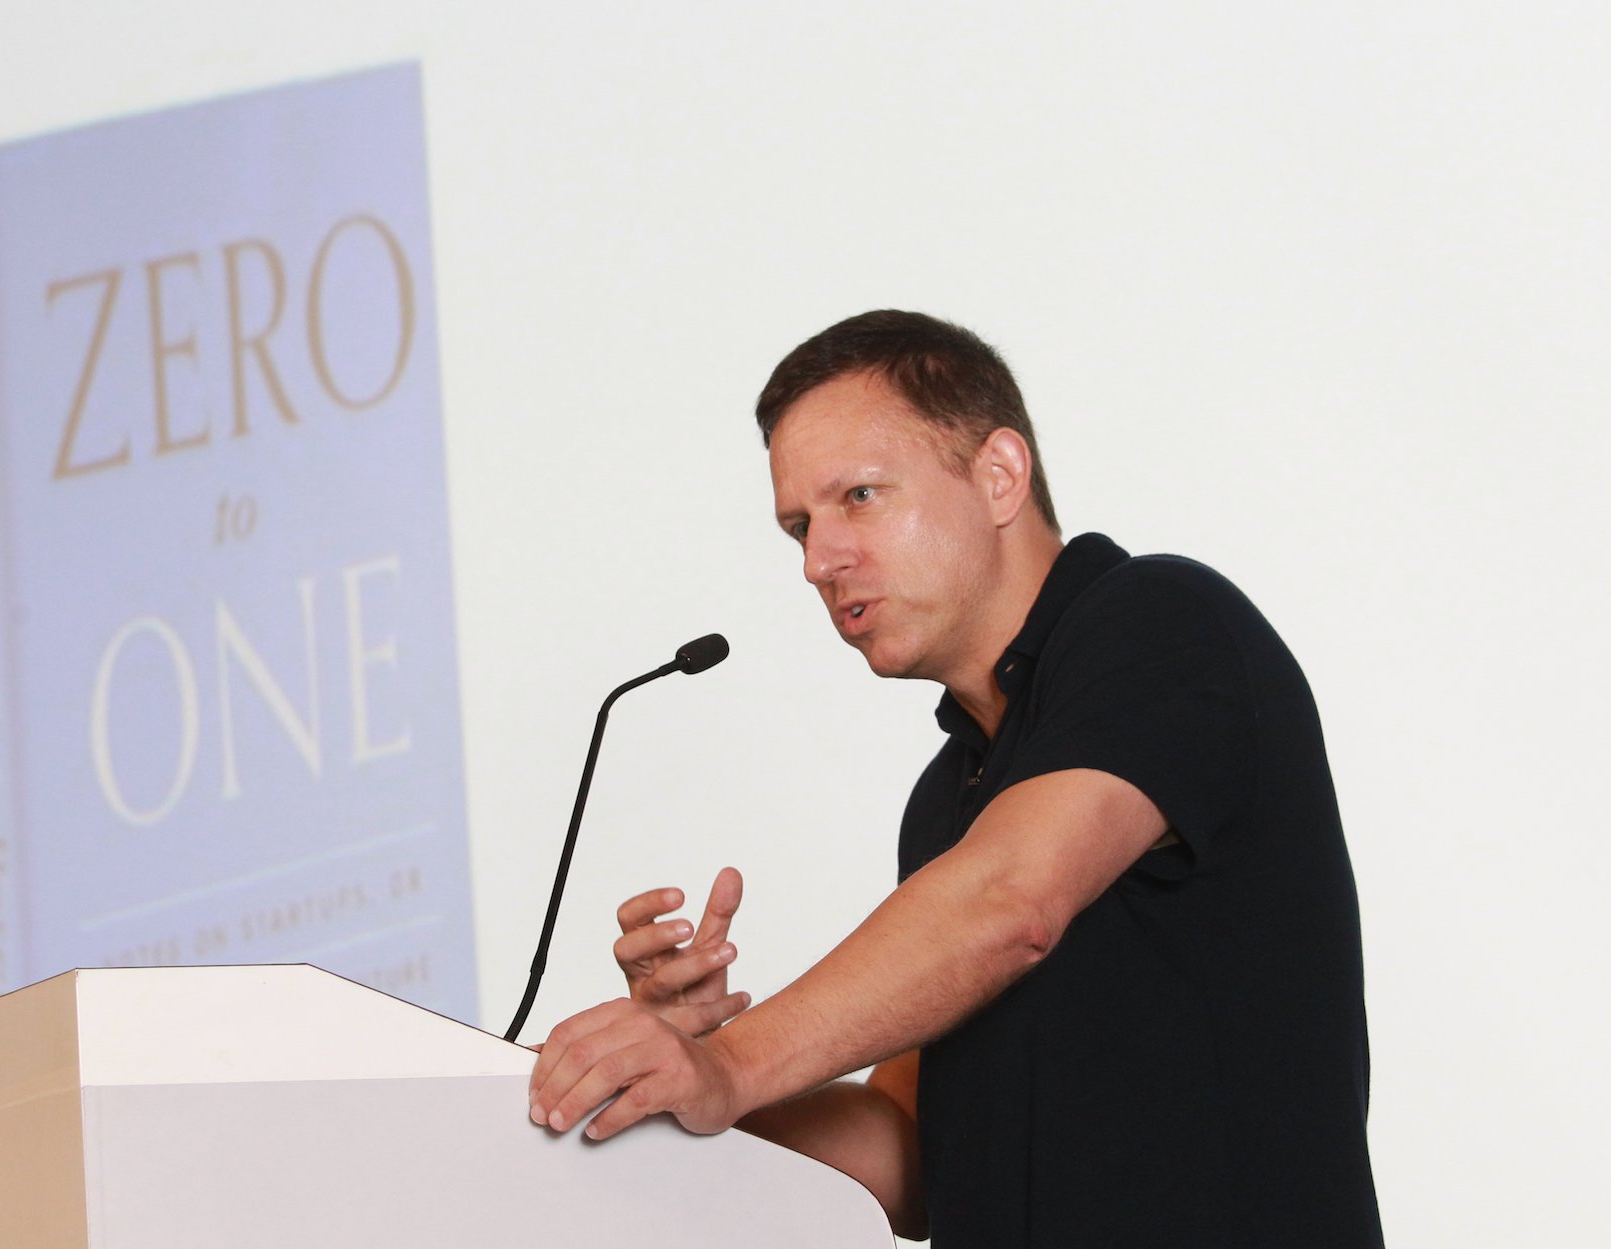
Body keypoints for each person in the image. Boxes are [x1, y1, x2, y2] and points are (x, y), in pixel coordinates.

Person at [528, 311, 1385, 1248]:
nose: (820, 560)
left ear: (999, 474)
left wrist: (734, 1062)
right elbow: (909, 1157)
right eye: (798, 529)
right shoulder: (950, 801)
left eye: (859, 496)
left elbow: (1014, 901)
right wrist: (679, 1089)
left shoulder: (1164, 622)